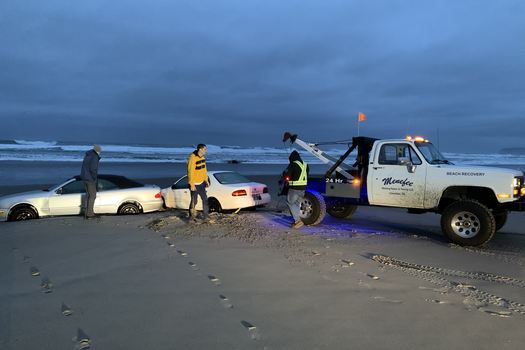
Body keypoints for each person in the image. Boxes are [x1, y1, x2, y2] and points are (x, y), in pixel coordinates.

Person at [187, 144, 213, 223]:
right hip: (194, 184)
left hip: (201, 183)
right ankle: (191, 218)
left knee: (205, 199)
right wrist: (191, 184)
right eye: (205, 149)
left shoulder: (203, 157)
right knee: (194, 201)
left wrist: (206, 180)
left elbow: (204, 170)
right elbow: (190, 172)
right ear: (200, 149)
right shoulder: (192, 158)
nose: (206, 151)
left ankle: (206, 216)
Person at [284, 150, 308, 229]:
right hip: (303, 188)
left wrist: (286, 177)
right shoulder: (305, 164)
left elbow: (287, 175)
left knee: (290, 203)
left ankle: (298, 221)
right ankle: (296, 221)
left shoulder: (293, 164)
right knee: (297, 204)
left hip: (294, 188)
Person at [80, 144, 102, 219]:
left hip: (84, 177)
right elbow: (93, 169)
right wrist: (94, 179)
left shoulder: (87, 155)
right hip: (90, 179)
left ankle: (87, 213)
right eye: (100, 151)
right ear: (97, 151)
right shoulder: (94, 156)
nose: (100, 152)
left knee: (88, 195)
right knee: (93, 196)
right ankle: (90, 214)